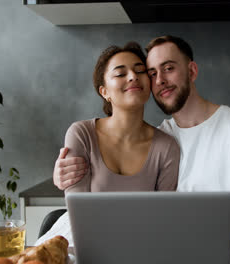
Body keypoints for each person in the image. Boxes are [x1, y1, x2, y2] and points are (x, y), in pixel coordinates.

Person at [53, 36, 230, 224]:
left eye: (169, 68)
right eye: (152, 73)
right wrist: (63, 176)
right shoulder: (163, 138)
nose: (161, 81)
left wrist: (199, 234)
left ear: (192, 71)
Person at [37, 42, 180, 246]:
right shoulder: (81, 134)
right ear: (104, 91)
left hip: (141, 243)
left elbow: (162, 218)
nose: (132, 76)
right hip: (84, 241)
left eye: (140, 71)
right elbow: (80, 213)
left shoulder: (166, 146)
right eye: (120, 74)